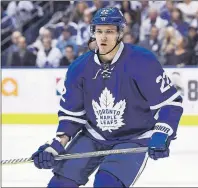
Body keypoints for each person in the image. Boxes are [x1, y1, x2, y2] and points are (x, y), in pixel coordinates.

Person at [31, 7, 183, 187]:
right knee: (60, 184)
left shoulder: (142, 61)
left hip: (133, 138)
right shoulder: (79, 68)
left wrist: (162, 133)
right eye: (99, 31)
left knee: (106, 183)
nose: (103, 37)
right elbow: (71, 116)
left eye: (109, 31)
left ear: (120, 33)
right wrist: (56, 144)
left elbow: (170, 104)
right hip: (94, 135)